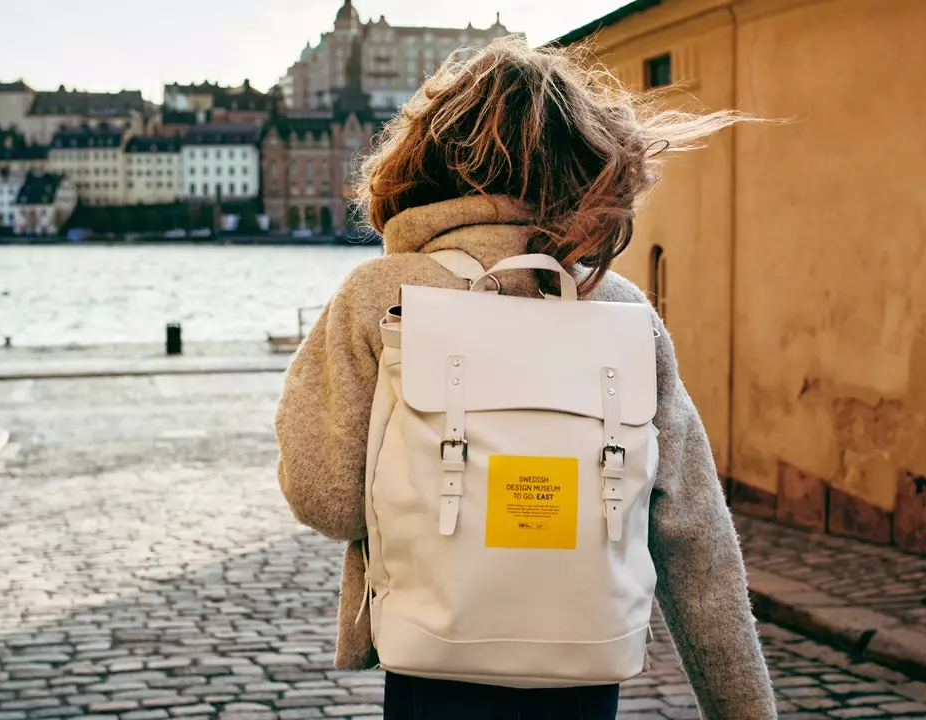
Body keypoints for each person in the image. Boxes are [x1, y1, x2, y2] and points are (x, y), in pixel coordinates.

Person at [275, 36, 778, 720]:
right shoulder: (621, 309)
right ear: (586, 162)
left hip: (434, 659)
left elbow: (325, 498)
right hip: (582, 662)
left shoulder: (379, 295)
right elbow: (696, 536)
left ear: (427, 158)